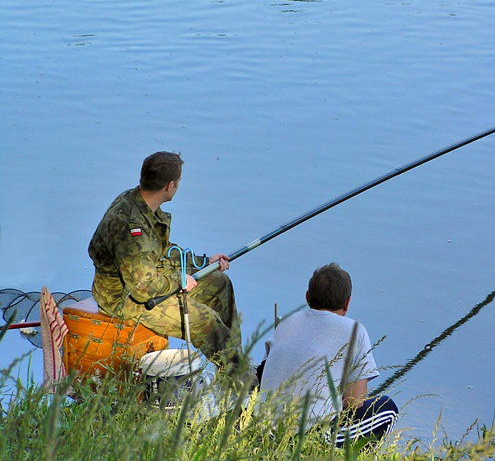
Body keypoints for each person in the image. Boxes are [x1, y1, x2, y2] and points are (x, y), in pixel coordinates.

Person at [88, 151, 242, 369]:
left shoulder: (139, 201)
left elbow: (161, 250)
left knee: (220, 283)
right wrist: (180, 281)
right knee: (206, 322)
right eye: (178, 182)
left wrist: (203, 262)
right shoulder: (131, 225)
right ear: (170, 186)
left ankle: (232, 366)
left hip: (147, 280)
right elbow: (143, 288)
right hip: (124, 300)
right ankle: (243, 385)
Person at [258, 263, 398, 447]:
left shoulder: (286, 323)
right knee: (387, 408)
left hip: (263, 429)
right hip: (307, 438)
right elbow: (353, 401)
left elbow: (265, 376)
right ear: (347, 302)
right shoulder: (355, 330)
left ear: (307, 297)